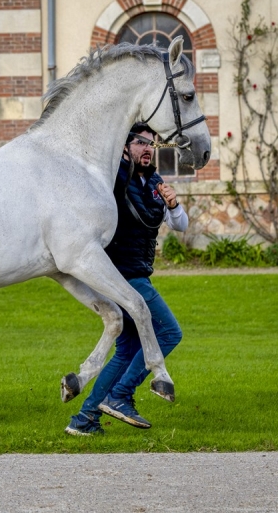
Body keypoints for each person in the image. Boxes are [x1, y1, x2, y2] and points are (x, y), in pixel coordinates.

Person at [65, 122, 188, 436]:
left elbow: (181, 225)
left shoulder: (155, 181)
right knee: (169, 332)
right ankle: (120, 395)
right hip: (123, 275)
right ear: (125, 147)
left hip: (136, 272)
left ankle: (84, 419)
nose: (147, 149)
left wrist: (173, 204)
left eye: (151, 144)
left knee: (128, 347)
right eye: (140, 143)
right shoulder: (116, 176)